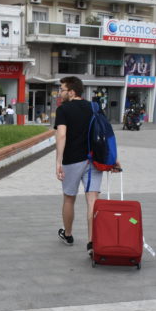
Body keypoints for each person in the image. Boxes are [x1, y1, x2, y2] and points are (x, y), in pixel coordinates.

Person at [55, 76, 120, 256]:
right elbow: (106, 133)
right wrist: (113, 158)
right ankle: (92, 242)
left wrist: (58, 162)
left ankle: (68, 235)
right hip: (94, 160)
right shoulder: (94, 107)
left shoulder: (63, 110)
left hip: (72, 160)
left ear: (72, 91)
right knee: (92, 200)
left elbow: (61, 136)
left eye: (62, 90)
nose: (60, 93)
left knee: (69, 198)